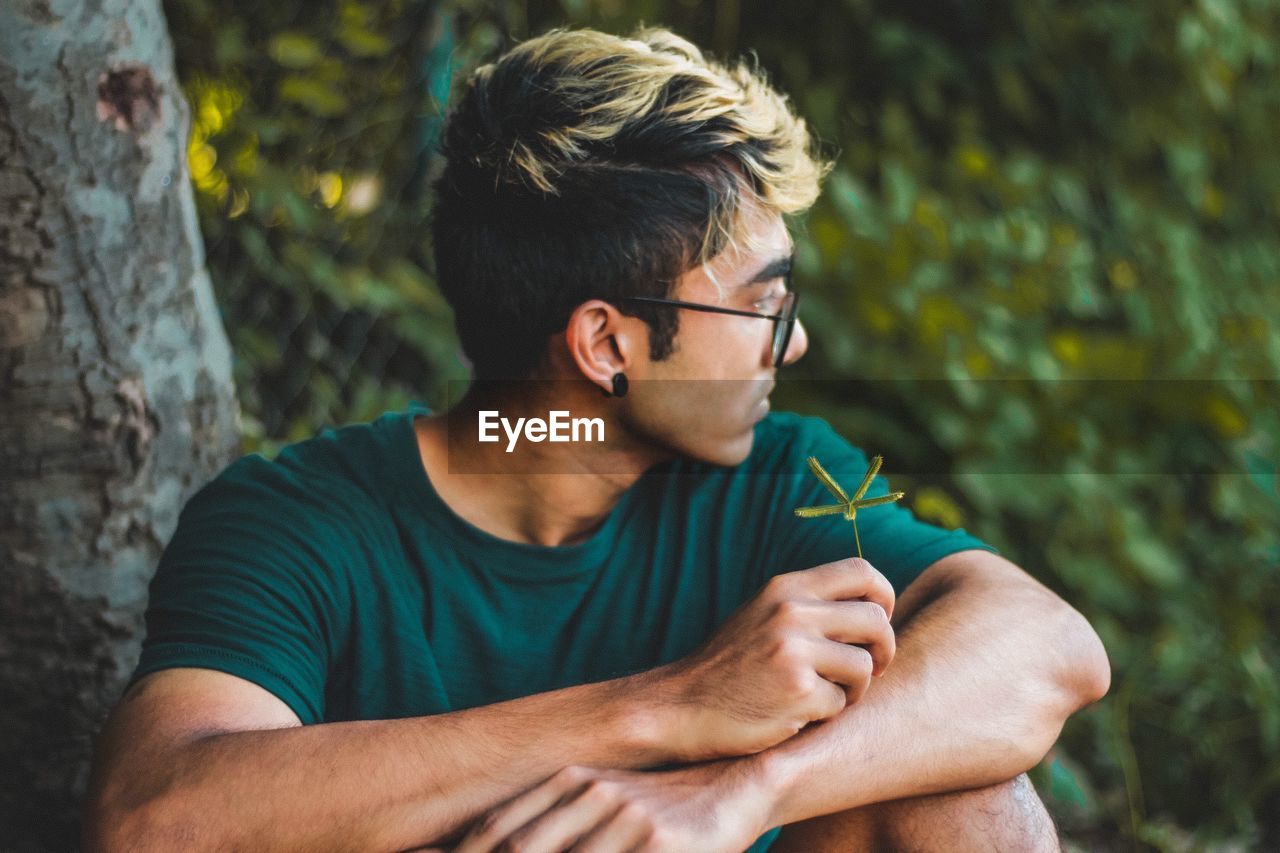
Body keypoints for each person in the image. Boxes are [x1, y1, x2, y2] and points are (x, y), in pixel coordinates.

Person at [84, 26, 1110, 852]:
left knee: (964, 795)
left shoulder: (773, 476)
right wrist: (659, 709)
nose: (793, 342)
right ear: (607, 343)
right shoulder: (297, 522)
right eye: (761, 306)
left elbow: (1048, 649)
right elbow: (154, 821)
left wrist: (741, 793)